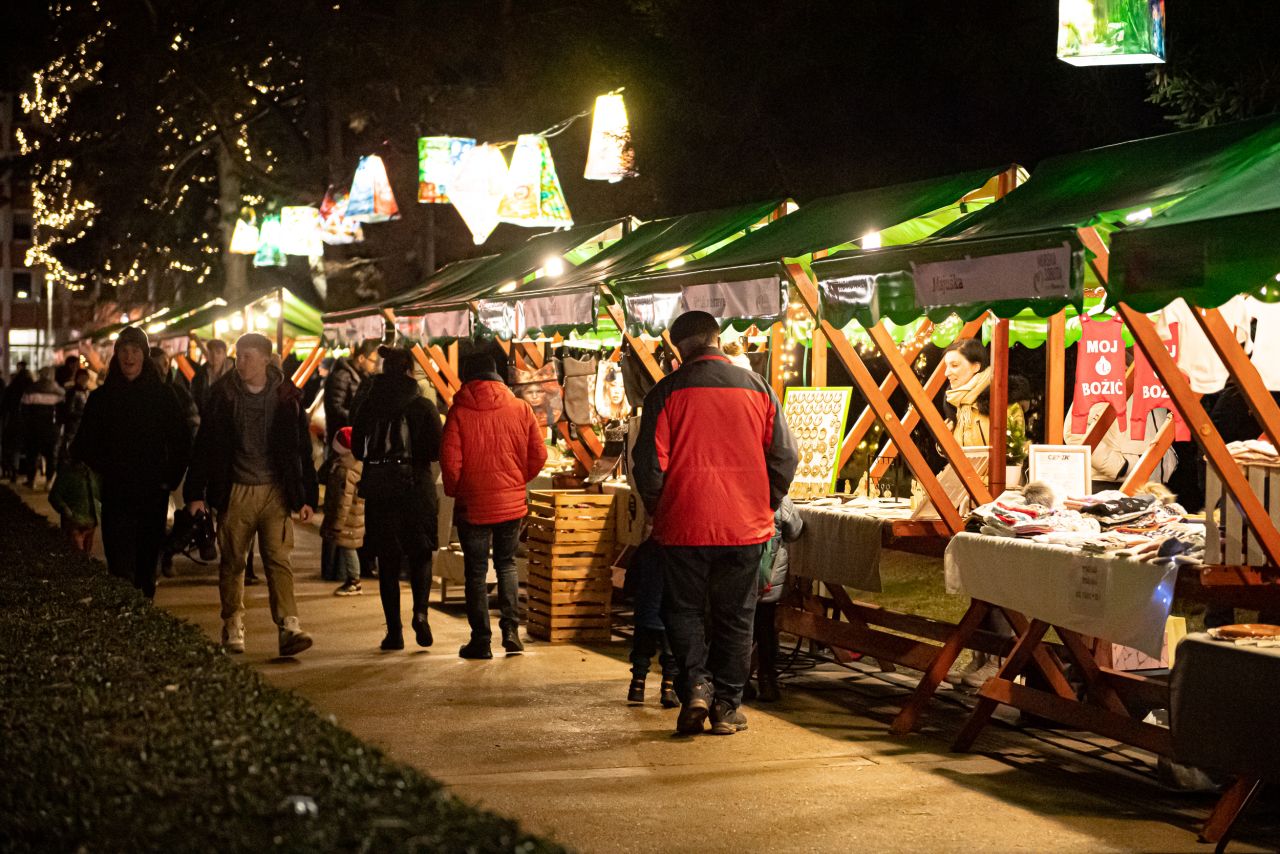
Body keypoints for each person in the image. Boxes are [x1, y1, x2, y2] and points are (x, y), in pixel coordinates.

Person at [633, 310, 799, 736]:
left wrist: (660, 506)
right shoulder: (758, 388)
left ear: (678, 346)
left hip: (684, 524)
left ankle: (697, 687)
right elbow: (786, 456)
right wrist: (767, 500)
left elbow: (649, 466)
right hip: (745, 525)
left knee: (683, 611)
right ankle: (727, 706)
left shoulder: (666, 392)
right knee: (736, 617)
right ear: (716, 337)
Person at [184, 332, 318, 657]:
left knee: (278, 559)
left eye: (247, 356)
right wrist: (195, 492)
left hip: (276, 489)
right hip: (235, 488)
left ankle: (289, 625)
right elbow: (205, 445)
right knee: (232, 560)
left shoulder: (286, 396)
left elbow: (302, 448)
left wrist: (307, 497)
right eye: (238, 356)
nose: (239, 362)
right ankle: (233, 624)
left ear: (266, 360)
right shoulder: (223, 395)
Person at [441, 352, 547, 660]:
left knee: (475, 572)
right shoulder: (521, 407)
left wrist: (457, 491)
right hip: (511, 504)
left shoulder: (459, 412)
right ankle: (512, 632)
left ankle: (481, 641)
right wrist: (517, 481)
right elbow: (539, 455)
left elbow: (450, 463)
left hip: (473, 504)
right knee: (507, 564)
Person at [72, 327, 191, 598]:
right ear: (117, 355)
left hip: (152, 491)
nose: (129, 357)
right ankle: (124, 619)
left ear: (144, 356)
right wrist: (107, 466)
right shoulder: (102, 398)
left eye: (135, 351)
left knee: (146, 562)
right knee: (119, 561)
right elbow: (83, 444)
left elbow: (182, 441)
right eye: (124, 351)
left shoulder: (162, 396)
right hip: (116, 492)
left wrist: (168, 479)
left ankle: (143, 615)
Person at [352, 346, 443, 650]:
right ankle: (420, 613)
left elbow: (356, 449)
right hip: (416, 487)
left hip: (380, 491)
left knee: (387, 562)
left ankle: (394, 632)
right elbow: (435, 450)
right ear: (409, 371)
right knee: (420, 554)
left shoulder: (369, 404)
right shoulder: (423, 406)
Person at [748, 496, 803, 703]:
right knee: (766, 630)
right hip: (769, 578)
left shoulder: (745, 491)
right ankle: (767, 680)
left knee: (741, 629)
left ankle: (740, 681)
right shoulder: (781, 500)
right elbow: (795, 530)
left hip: (742, 576)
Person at [625, 538, 680, 708]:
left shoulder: (645, 548)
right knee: (671, 654)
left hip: (645, 611)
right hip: (671, 611)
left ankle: (637, 687)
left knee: (641, 651)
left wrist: (632, 597)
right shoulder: (678, 549)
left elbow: (631, 577)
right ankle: (668, 689)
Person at [320, 426, 365, 597]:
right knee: (348, 547)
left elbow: (343, 501)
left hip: (347, 519)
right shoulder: (352, 463)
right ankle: (353, 579)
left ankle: (354, 581)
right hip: (352, 517)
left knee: (348, 548)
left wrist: (337, 523)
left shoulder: (345, 470)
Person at [20, 366, 65, 488]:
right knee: (51, 455)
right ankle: (49, 481)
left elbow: (24, 411)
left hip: (33, 429)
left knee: (32, 454)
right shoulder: (59, 392)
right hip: (52, 429)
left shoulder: (31, 390)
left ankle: (32, 480)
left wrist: (25, 427)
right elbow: (62, 413)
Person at [2, 360, 33, 480]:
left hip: (14, 419)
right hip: (28, 421)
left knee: (14, 446)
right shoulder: (31, 386)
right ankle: (27, 473)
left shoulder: (13, 386)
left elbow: (5, 405)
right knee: (28, 448)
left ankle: (13, 470)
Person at [191, 339, 233, 417]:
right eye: (210, 352)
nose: (214, 356)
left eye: (218, 352)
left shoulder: (234, 374)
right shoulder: (200, 374)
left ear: (225, 354)